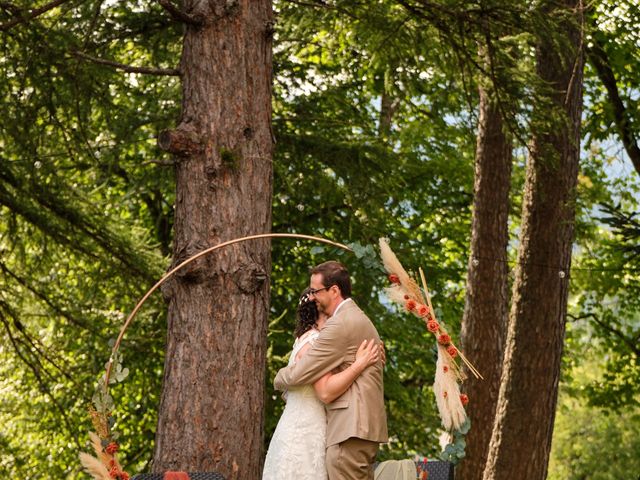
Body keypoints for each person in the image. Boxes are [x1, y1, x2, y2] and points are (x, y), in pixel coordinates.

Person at [274, 261, 388, 480]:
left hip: (351, 428)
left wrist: (278, 378)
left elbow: (301, 373)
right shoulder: (359, 318)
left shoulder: (340, 324)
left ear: (334, 290)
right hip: (361, 428)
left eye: (316, 290)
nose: (313, 296)